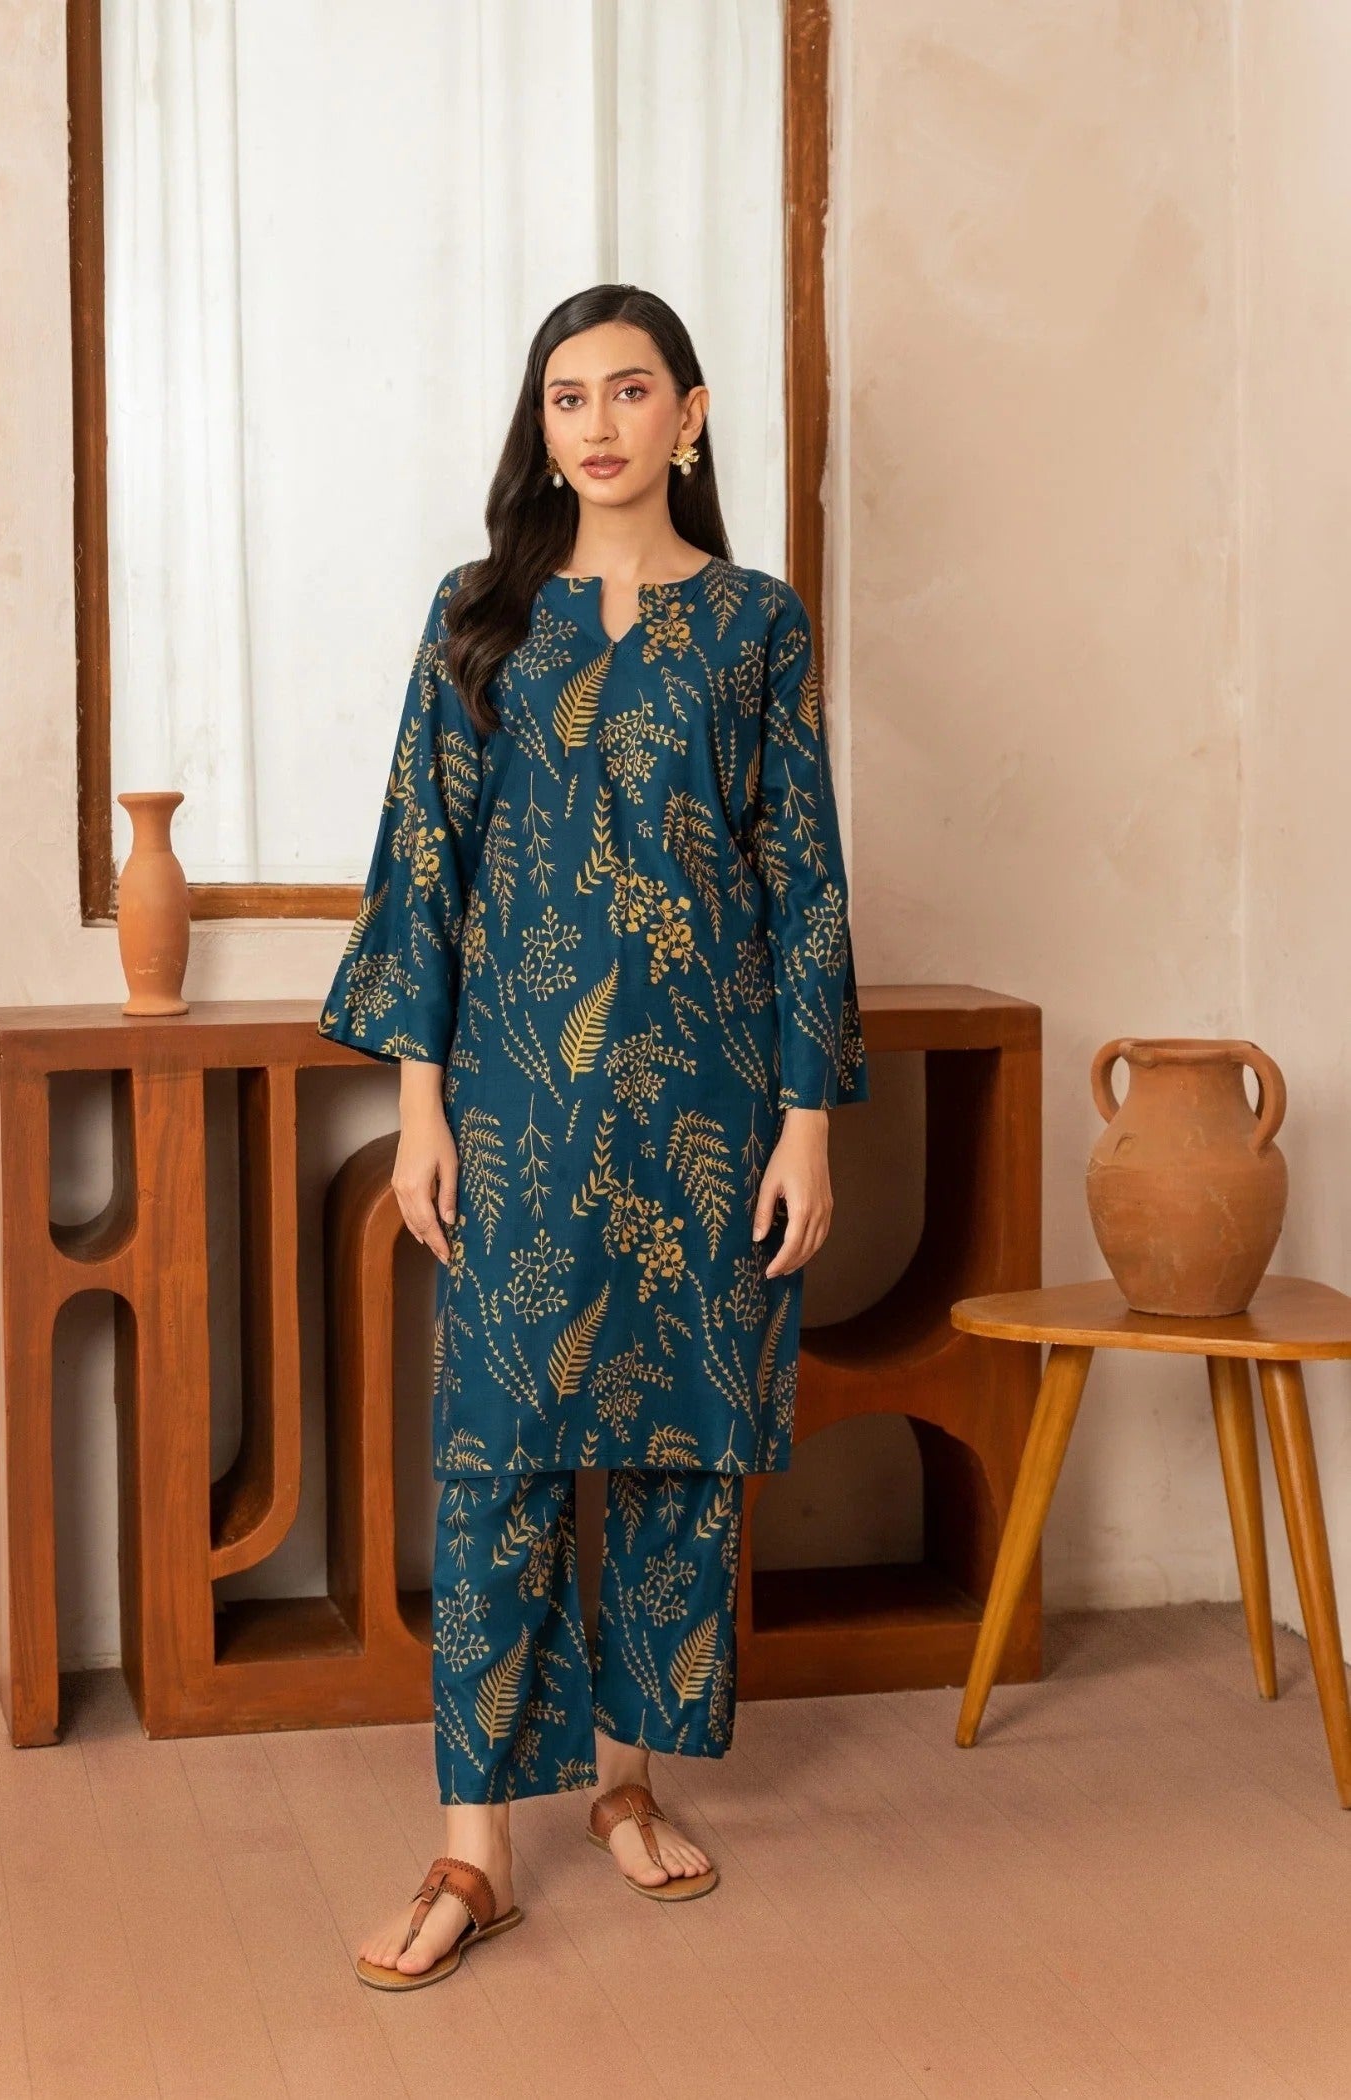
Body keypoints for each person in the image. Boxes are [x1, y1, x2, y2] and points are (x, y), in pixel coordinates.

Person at [317, 283, 870, 1991]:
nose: (599, 424)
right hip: (513, 1113)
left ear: (690, 416)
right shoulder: (480, 614)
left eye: (631, 391)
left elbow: (802, 882)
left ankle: (626, 1783)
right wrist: (419, 1108)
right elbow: (425, 863)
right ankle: (473, 1850)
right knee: (497, 1458)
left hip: (708, 1101)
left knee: (674, 1455)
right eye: (568, 397)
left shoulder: (757, 625)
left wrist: (805, 1126)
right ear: (541, 426)